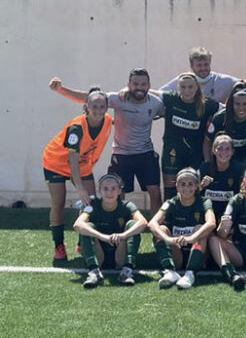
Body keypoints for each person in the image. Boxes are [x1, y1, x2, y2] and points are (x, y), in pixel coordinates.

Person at [49, 69, 165, 218]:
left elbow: (170, 110)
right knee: (117, 194)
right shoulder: (118, 99)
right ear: (128, 84)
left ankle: (157, 234)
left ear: (149, 85)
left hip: (145, 153)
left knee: (155, 193)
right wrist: (61, 89)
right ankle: (116, 226)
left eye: (143, 84)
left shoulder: (157, 104)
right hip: (121, 154)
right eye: (135, 84)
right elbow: (89, 98)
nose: (139, 87)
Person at [42, 87, 113, 261]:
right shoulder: (77, 128)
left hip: (82, 166)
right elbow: (72, 159)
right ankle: (58, 246)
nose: (98, 110)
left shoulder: (108, 120)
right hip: (56, 163)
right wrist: (80, 189)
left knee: (91, 202)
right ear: (86, 107)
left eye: (101, 106)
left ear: (106, 107)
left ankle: (83, 242)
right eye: (94, 107)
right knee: (58, 203)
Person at [73, 174, 148, 288]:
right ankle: (94, 272)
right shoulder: (93, 205)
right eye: (105, 189)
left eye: (114, 188)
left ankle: (127, 270)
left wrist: (123, 235)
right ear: (99, 191)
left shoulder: (127, 206)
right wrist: (103, 237)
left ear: (119, 191)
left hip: (120, 254)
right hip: (99, 254)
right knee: (87, 226)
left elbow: (143, 222)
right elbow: (77, 224)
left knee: (133, 225)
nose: (109, 192)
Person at [148, 168, 216, 289]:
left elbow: (211, 223)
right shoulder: (170, 203)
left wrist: (191, 238)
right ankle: (170, 271)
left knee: (201, 229)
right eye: (182, 184)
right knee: (161, 229)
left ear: (196, 186)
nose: (186, 188)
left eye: (190, 184)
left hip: (198, 251)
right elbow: (152, 223)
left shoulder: (204, 201)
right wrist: (167, 239)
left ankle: (190, 274)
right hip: (177, 250)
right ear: (177, 186)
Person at [160, 73, 220, 200]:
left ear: (197, 87)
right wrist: (127, 90)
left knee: (195, 187)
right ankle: (168, 218)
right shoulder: (171, 99)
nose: (187, 91)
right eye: (183, 87)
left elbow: (229, 108)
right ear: (178, 87)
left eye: (190, 87)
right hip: (172, 152)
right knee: (170, 189)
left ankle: (193, 217)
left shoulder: (207, 104)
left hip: (195, 153)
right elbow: (149, 93)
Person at [205, 87, 246, 165]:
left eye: (245, 104)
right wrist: (208, 162)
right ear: (231, 103)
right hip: (221, 162)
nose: (241, 107)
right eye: (237, 104)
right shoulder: (219, 118)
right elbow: (207, 141)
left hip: (243, 162)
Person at [161, 46, 239, 103]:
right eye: (199, 65)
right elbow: (160, 94)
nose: (203, 68)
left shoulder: (221, 81)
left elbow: (243, 83)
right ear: (192, 66)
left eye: (206, 64)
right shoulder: (183, 81)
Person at [199, 134, 245, 221]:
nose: (223, 152)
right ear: (213, 150)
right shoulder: (204, 168)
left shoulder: (239, 169)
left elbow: (245, 196)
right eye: (220, 148)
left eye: (227, 149)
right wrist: (201, 186)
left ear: (232, 151)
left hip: (230, 215)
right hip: (208, 215)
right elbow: (191, 194)